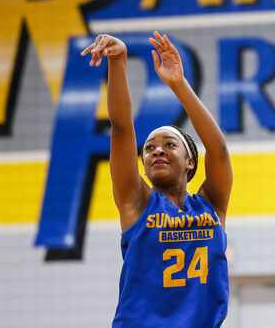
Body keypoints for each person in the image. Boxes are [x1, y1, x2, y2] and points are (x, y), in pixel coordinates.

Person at [81, 31, 233, 327]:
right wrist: (118, 61)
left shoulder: (211, 206)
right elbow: (122, 127)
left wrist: (178, 84)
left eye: (169, 145)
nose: (157, 151)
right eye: (149, 148)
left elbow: (219, 150)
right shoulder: (136, 202)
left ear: (190, 160)